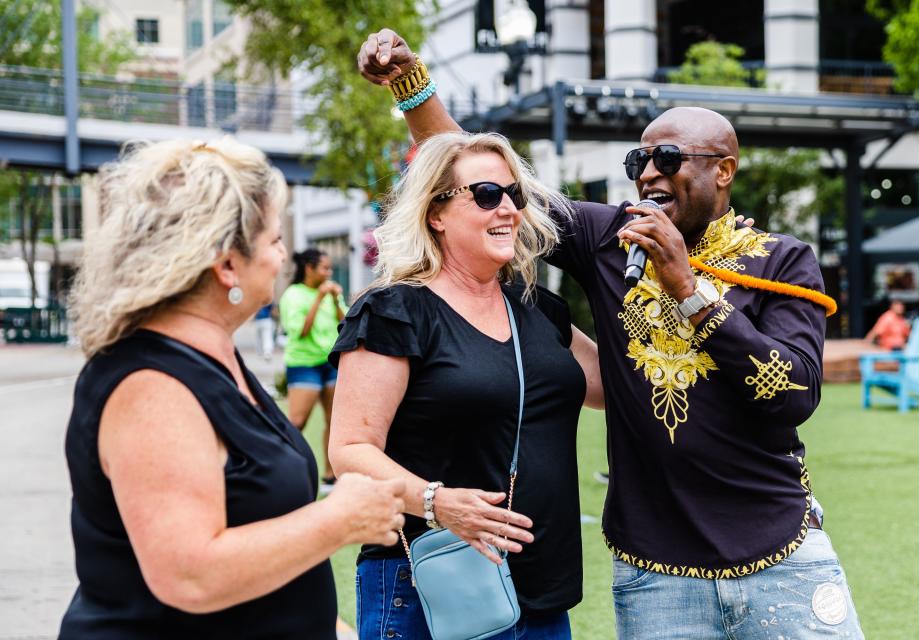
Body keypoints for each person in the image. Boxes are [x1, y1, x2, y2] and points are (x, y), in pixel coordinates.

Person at [358, 30, 864, 639]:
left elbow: (791, 396)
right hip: (655, 570)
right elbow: (475, 182)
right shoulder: (610, 238)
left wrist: (689, 290)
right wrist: (412, 86)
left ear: (724, 170)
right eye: (638, 161)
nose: (648, 173)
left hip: (780, 549)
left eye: (668, 160)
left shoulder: (783, 260)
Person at [59, 137, 405, 639]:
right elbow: (189, 574)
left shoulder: (214, 354)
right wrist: (341, 520)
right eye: (274, 240)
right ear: (226, 266)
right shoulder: (151, 385)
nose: (283, 256)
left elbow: (258, 525)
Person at [328, 131, 605, 640]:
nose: (507, 209)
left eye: (514, 194)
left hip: (544, 592)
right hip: (432, 586)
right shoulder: (394, 310)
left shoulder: (539, 310)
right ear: (436, 212)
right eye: (485, 195)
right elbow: (348, 449)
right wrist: (437, 502)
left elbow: (611, 388)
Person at [279, 249, 347, 492]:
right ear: (309, 268)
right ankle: (281, 471)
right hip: (304, 365)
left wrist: (334, 300)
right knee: (296, 422)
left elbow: (345, 325)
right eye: (324, 268)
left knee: (334, 420)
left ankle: (330, 475)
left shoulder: (330, 294)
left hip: (330, 363)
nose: (329, 273)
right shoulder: (293, 295)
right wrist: (318, 298)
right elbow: (300, 332)